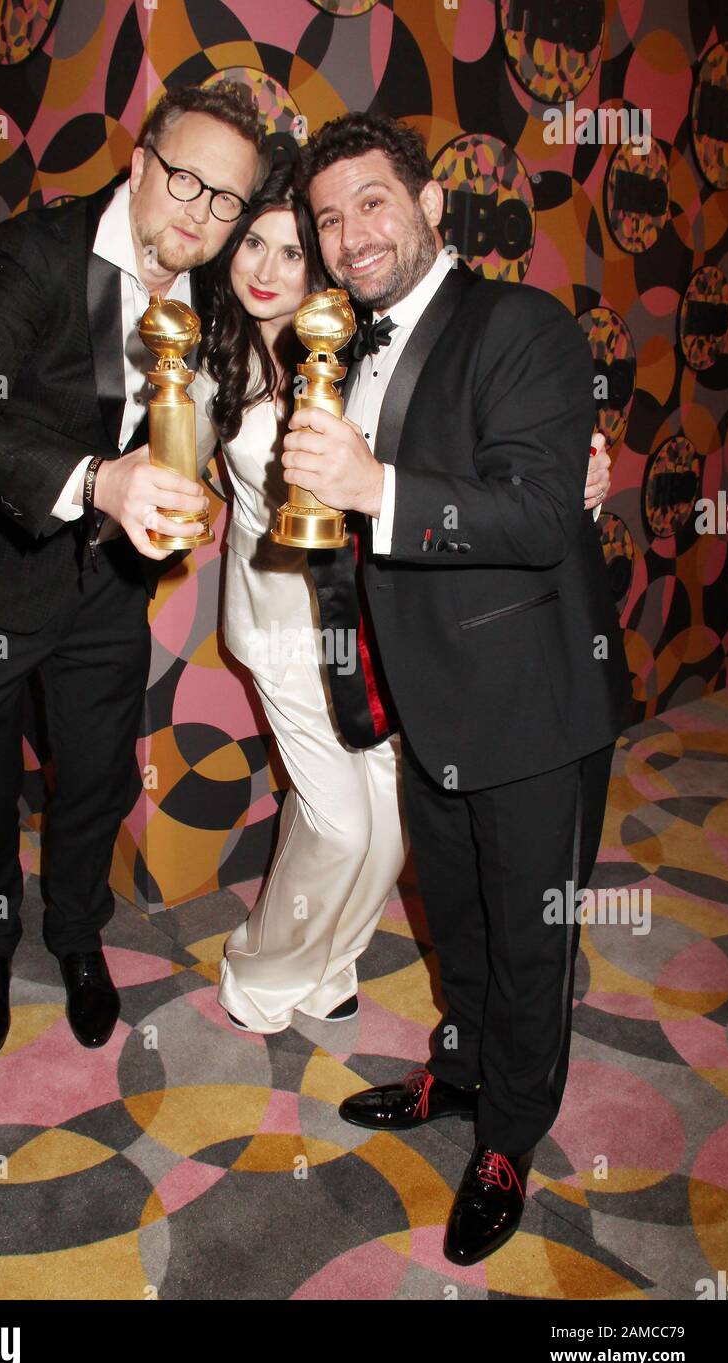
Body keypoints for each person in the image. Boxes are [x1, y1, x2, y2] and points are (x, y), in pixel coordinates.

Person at [280, 112, 631, 1265]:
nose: (349, 234)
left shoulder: (518, 322)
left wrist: (372, 482)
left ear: (432, 206)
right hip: (427, 695)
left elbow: (537, 515)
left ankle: (510, 1138)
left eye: (371, 201)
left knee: (533, 936)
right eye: (328, 216)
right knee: (460, 917)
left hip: (532, 700)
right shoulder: (344, 343)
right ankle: (461, 1068)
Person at [188, 158, 613, 1034]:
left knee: (389, 809)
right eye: (251, 246)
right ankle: (261, 973)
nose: (267, 270)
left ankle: (332, 959)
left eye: (293, 251)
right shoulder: (210, 367)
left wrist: (579, 468)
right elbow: (161, 465)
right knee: (340, 820)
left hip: (378, 614)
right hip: (278, 623)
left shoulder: (351, 346)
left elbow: (460, 446)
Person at [0, 82, 267, 1062]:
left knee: (96, 783)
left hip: (105, 587)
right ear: (142, 162)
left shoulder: (214, 290)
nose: (200, 212)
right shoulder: (35, 254)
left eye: (225, 199)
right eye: (186, 180)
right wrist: (95, 480)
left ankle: (74, 934)